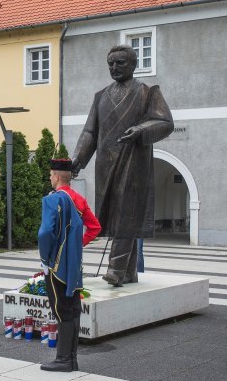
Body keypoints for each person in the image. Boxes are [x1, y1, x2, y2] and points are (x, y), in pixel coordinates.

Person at [72, 44, 173, 286]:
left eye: (120, 63)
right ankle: (129, 272)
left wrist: (140, 130)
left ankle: (116, 269)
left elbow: (165, 121)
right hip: (106, 165)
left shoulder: (147, 92)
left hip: (133, 162)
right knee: (115, 214)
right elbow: (89, 132)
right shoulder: (101, 97)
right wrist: (78, 158)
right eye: (111, 64)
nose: (114, 68)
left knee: (127, 213)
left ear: (134, 65)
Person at [39, 159, 100, 372]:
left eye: (50, 175)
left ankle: (63, 360)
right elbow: (95, 227)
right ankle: (71, 359)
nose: (50, 178)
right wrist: (77, 245)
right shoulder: (79, 199)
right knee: (73, 309)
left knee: (62, 310)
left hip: (57, 263)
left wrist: (45, 260)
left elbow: (45, 232)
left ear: (56, 177)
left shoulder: (52, 200)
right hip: (74, 265)